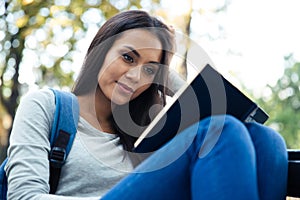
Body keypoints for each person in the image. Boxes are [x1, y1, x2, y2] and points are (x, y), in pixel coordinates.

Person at [4, 10, 288, 200]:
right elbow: (23, 196)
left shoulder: (150, 129)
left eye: (150, 70)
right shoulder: (46, 106)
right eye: (128, 58)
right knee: (220, 130)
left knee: (266, 140)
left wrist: (166, 69)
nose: (135, 76)